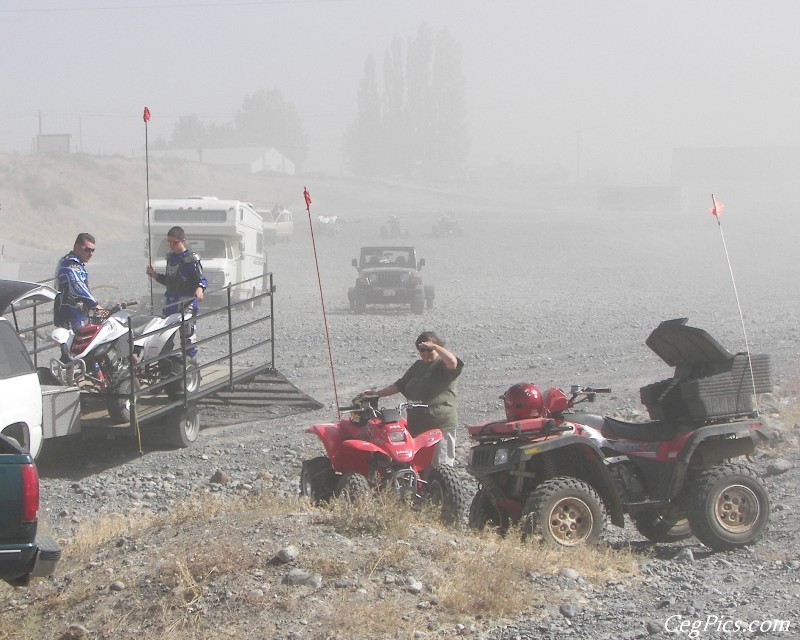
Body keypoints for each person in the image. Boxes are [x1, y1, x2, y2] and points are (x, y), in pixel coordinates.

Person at [366, 331, 464, 467]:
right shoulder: (418, 366)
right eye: (421, 349)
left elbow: (452, 362)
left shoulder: (442, 365)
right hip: (417, 425)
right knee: (418, 465)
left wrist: (436, 347)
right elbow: (399, 385)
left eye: (429, 349)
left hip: (439, 425)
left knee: (440, 467)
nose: (425, 352)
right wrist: (376, 394)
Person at [145, 226, 207, 358]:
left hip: (186, 302)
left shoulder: (192, 259)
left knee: (187, 336)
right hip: (170, 302)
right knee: (163, 336)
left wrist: (200, 288)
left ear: (182, 241)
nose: (171, 245)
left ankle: (189, 365)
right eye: (169, 242)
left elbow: (201, 279)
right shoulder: (170, 258)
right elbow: (170, 281)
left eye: (174, 242)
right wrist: (154, 275)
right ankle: (167, 364)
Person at [53, 233, 104, 330]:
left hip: (78, 313)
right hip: (69, 314)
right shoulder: (69, 265)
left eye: (93, 250)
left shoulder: (78, 264)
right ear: (76, 247)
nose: (90, 254)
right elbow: (77, 286)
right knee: (77, 341)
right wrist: (95, 304)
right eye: (87, 249)